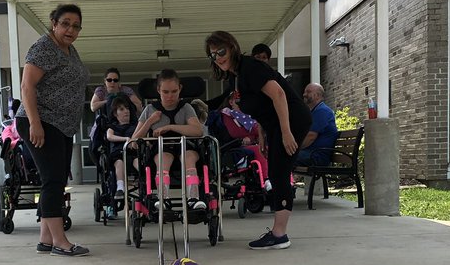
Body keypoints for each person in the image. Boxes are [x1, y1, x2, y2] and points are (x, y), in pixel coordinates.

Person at [205, 31, 311, 250]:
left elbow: (279, 95)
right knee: (275, 171)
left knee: (279, 172)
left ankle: (279, 234)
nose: (218, 57)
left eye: (221, 51)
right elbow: (262, 106)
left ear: (232, 47)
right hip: (274, 124)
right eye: (213, 54)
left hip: (292, 120)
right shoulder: (237, 76)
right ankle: (278, 232)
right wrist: (262, 134)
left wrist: (286, 131)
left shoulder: (251, 68)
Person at [16, 3, 90, 257]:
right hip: (42, 121)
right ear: (54, 23)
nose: (71, 29)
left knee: (57, 180)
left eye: (76, 26)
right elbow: (27, 86)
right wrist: (35, 124)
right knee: (53, 181)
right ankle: (60, 241)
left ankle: (46, 239)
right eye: (66, 23)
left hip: (61, 125)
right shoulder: (44, 47)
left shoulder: (69, 50)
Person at [132, 69, 206, 213]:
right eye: (165, 92)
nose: (170, 96)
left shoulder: (186, 107)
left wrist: (169, 127)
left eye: (174, 91)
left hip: (185, 147)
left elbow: (197, 131)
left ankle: (193, 198)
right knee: (163, 159)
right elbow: (134, 141)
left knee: (189, 157)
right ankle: (163, 199)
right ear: (158, 90)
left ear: (180, 89)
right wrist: (150, 121)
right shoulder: (150, 109)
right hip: (162, 149)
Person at [294, 83, 338, 168]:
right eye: (304, 92)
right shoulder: (315, 111)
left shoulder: (322, 111)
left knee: (283, 155)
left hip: (318, 156)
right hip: (312, 153)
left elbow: (310, 137)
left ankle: (274, 180)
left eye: (308, 92)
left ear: (317, 95)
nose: (304, 94)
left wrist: (294, 149)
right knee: (282, 154)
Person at [105, 95, 138, 201]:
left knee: (139, 161)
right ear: (115, 113)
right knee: (119, 162)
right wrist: (125, 139)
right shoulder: (112, 127)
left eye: (127, 108)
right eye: (121, 109)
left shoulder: (136, 126)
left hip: (133, 152)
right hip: (118, 153)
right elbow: (109, 136)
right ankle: (120, 187)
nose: (126, 111)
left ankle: (146, 185)